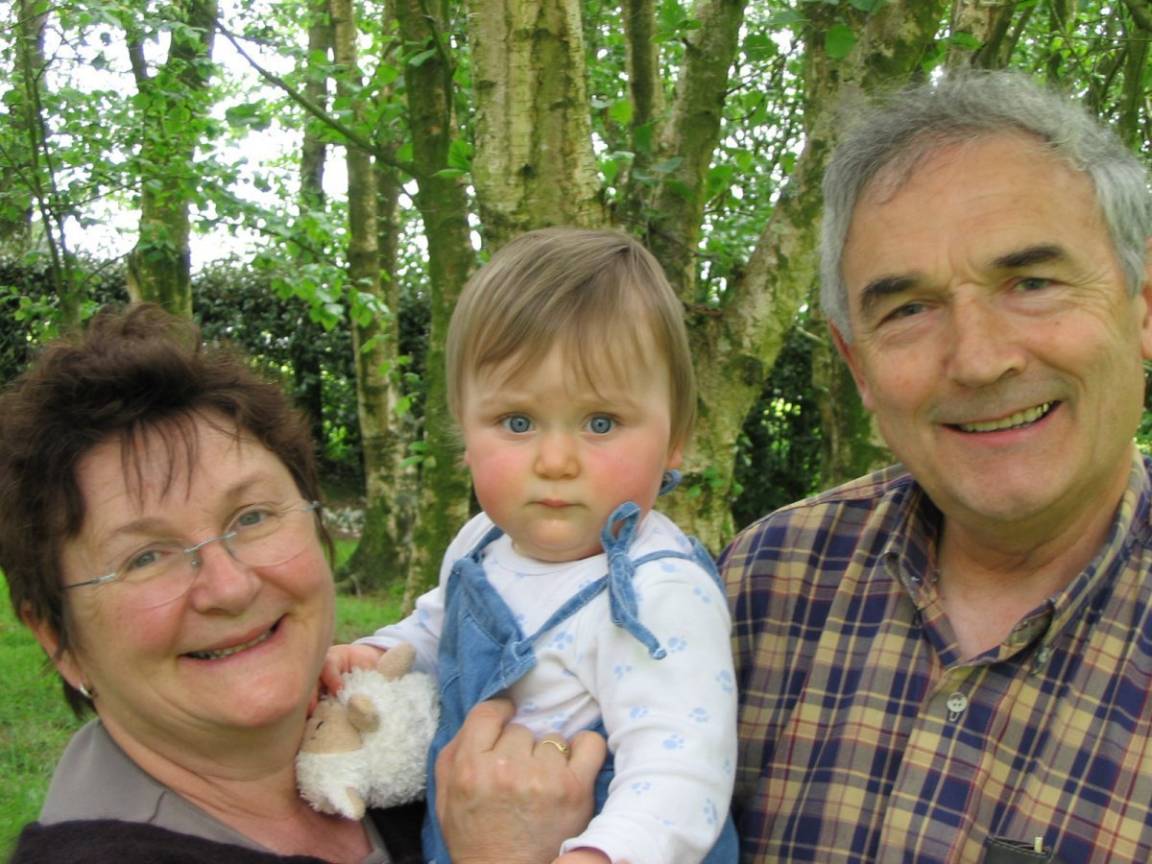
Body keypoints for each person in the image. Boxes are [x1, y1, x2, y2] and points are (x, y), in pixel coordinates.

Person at [721, 70, 1152, 863]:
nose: (979, 360)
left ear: (1144, 304)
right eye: (909, 309)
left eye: (1031, 283)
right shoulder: (764, 586)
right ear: (858, 365)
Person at [0, 304, 604, 864]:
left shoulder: (406, 726)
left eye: (252, 518)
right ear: (57, 638)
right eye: (147, 557)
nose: (230, 588)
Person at [325, 228, 738, 864]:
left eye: (601, 423)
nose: (555, 461)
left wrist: (602, 854)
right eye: (517, 423)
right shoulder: (483, 541)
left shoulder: (659, 592)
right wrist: (382, 651)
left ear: (675, 439)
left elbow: (682, 769)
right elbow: (440, 625)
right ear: (465, 434)